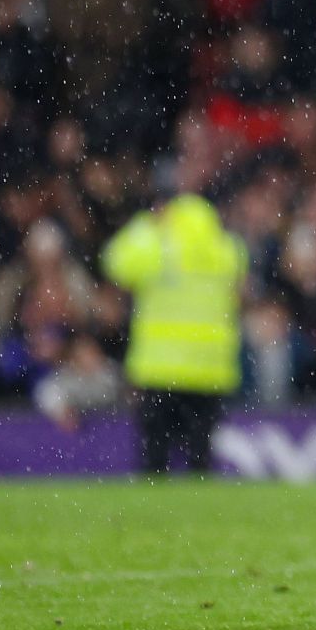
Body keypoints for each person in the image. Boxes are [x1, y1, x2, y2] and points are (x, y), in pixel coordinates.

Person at [102, 192, 248, 474]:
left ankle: (155, 516)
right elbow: (239, 278)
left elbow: (114, 261)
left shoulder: (159, 243)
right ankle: (203, 516)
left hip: (161, 369)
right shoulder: (225, 247)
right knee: (200, 460)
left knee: (154, 462)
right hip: (210, 370)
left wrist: (147, 224)